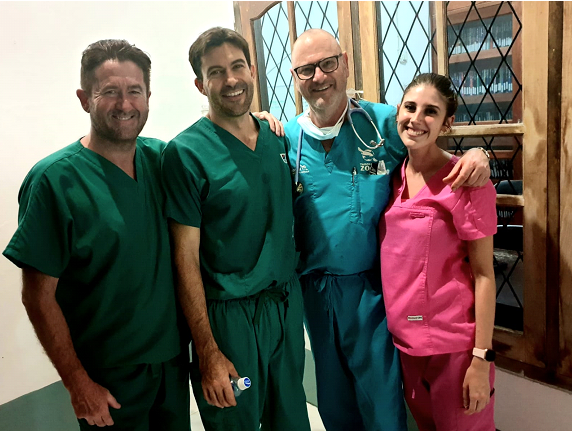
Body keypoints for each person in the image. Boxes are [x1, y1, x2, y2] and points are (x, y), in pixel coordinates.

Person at [283, 29, 491, 431]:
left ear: (344, 63)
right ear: (296, 77)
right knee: (333, 399)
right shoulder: (283, 137)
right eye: (306, 69)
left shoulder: (382, 123)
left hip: (374, 290)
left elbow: (430, 141)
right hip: (314, 289)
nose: (319, 76)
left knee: (381, 402)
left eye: (327, 63)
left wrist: (477, 152)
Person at [2, 40, 189, 430]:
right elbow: (37, 296)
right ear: (85, 98)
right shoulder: (54, 181)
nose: (125, 104)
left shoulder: (163, 161)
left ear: (148, 96)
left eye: (134, 91)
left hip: (171, 365)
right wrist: (77, 383)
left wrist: (257, 120)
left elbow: (215, 154)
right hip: (107, 379)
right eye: (110, 92)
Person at [160, 27, 311, 431]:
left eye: (237, 66)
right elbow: (185, 259)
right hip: (231, 327)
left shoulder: (277, 140)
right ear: (200, 84)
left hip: (283, 311)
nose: (230, 80)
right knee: (237, 411)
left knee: (291, 416)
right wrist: (208, 352)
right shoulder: (186, 154)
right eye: (216, 72)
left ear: (252, 71)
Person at [379, 73, 497, 431]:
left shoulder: (466, 180)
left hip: (456, 350)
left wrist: (481, 358)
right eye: (411, 107)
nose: (416, 119)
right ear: (397, 111)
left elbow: (484, 275)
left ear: (447, 123)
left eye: (431, 112)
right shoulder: (392, 176)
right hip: (408, 346)